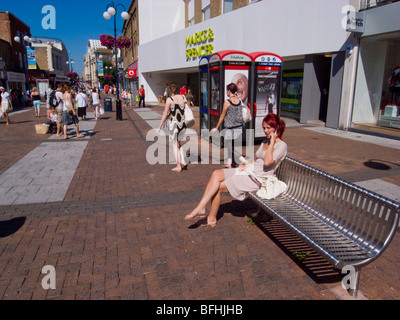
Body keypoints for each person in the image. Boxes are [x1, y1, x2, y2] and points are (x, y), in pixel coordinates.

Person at [185, 113, 287, 227]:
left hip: (257, 178)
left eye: (269, 128)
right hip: (249, 171)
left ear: (277, 127)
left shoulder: (281, 145)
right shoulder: (265, 141)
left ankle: (211, 218)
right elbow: (258, 160)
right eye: (264, 128)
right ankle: (201, 207)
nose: (266, 131)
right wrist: (247, 164)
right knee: (216, 173)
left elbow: (268, 162)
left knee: (218, 187)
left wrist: (272, 142)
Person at [156, 83, 189, 172]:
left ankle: (178, 166)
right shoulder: (183, 97)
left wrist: (159, 127)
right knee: (179, 143)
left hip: (174, 124)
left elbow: (165, 114)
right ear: (177, 89)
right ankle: (183, 161)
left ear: (170, 91)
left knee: (175, 145)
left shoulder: (169, 100)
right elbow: (185, 109)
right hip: (182, 124)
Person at [212, 83, 243, 168]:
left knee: (230, 146)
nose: (226, 92)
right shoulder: (239, 101)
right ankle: (229, 163)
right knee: (232, 146)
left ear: (229, 91)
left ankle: (244, 161)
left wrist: (217, 127)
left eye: (227, 90)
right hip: (238, 127)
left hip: (230, 128)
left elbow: (222, 116)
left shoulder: (227, 102)